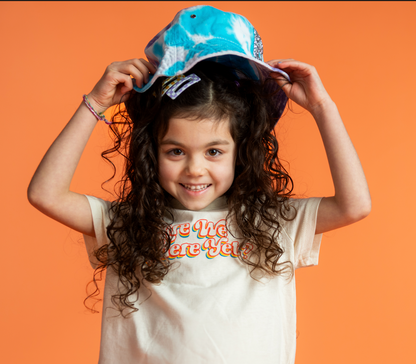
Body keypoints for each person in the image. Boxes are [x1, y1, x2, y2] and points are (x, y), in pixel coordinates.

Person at [27, 5, 371, 364]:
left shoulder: (275, 224)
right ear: (151, 153)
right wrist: (95, 104)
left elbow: (355, 205)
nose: (195, 169)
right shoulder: (128, 225)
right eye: (176, 150)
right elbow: (44, 194)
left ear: (241, 153)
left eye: (214, 151)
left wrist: (322, 106)